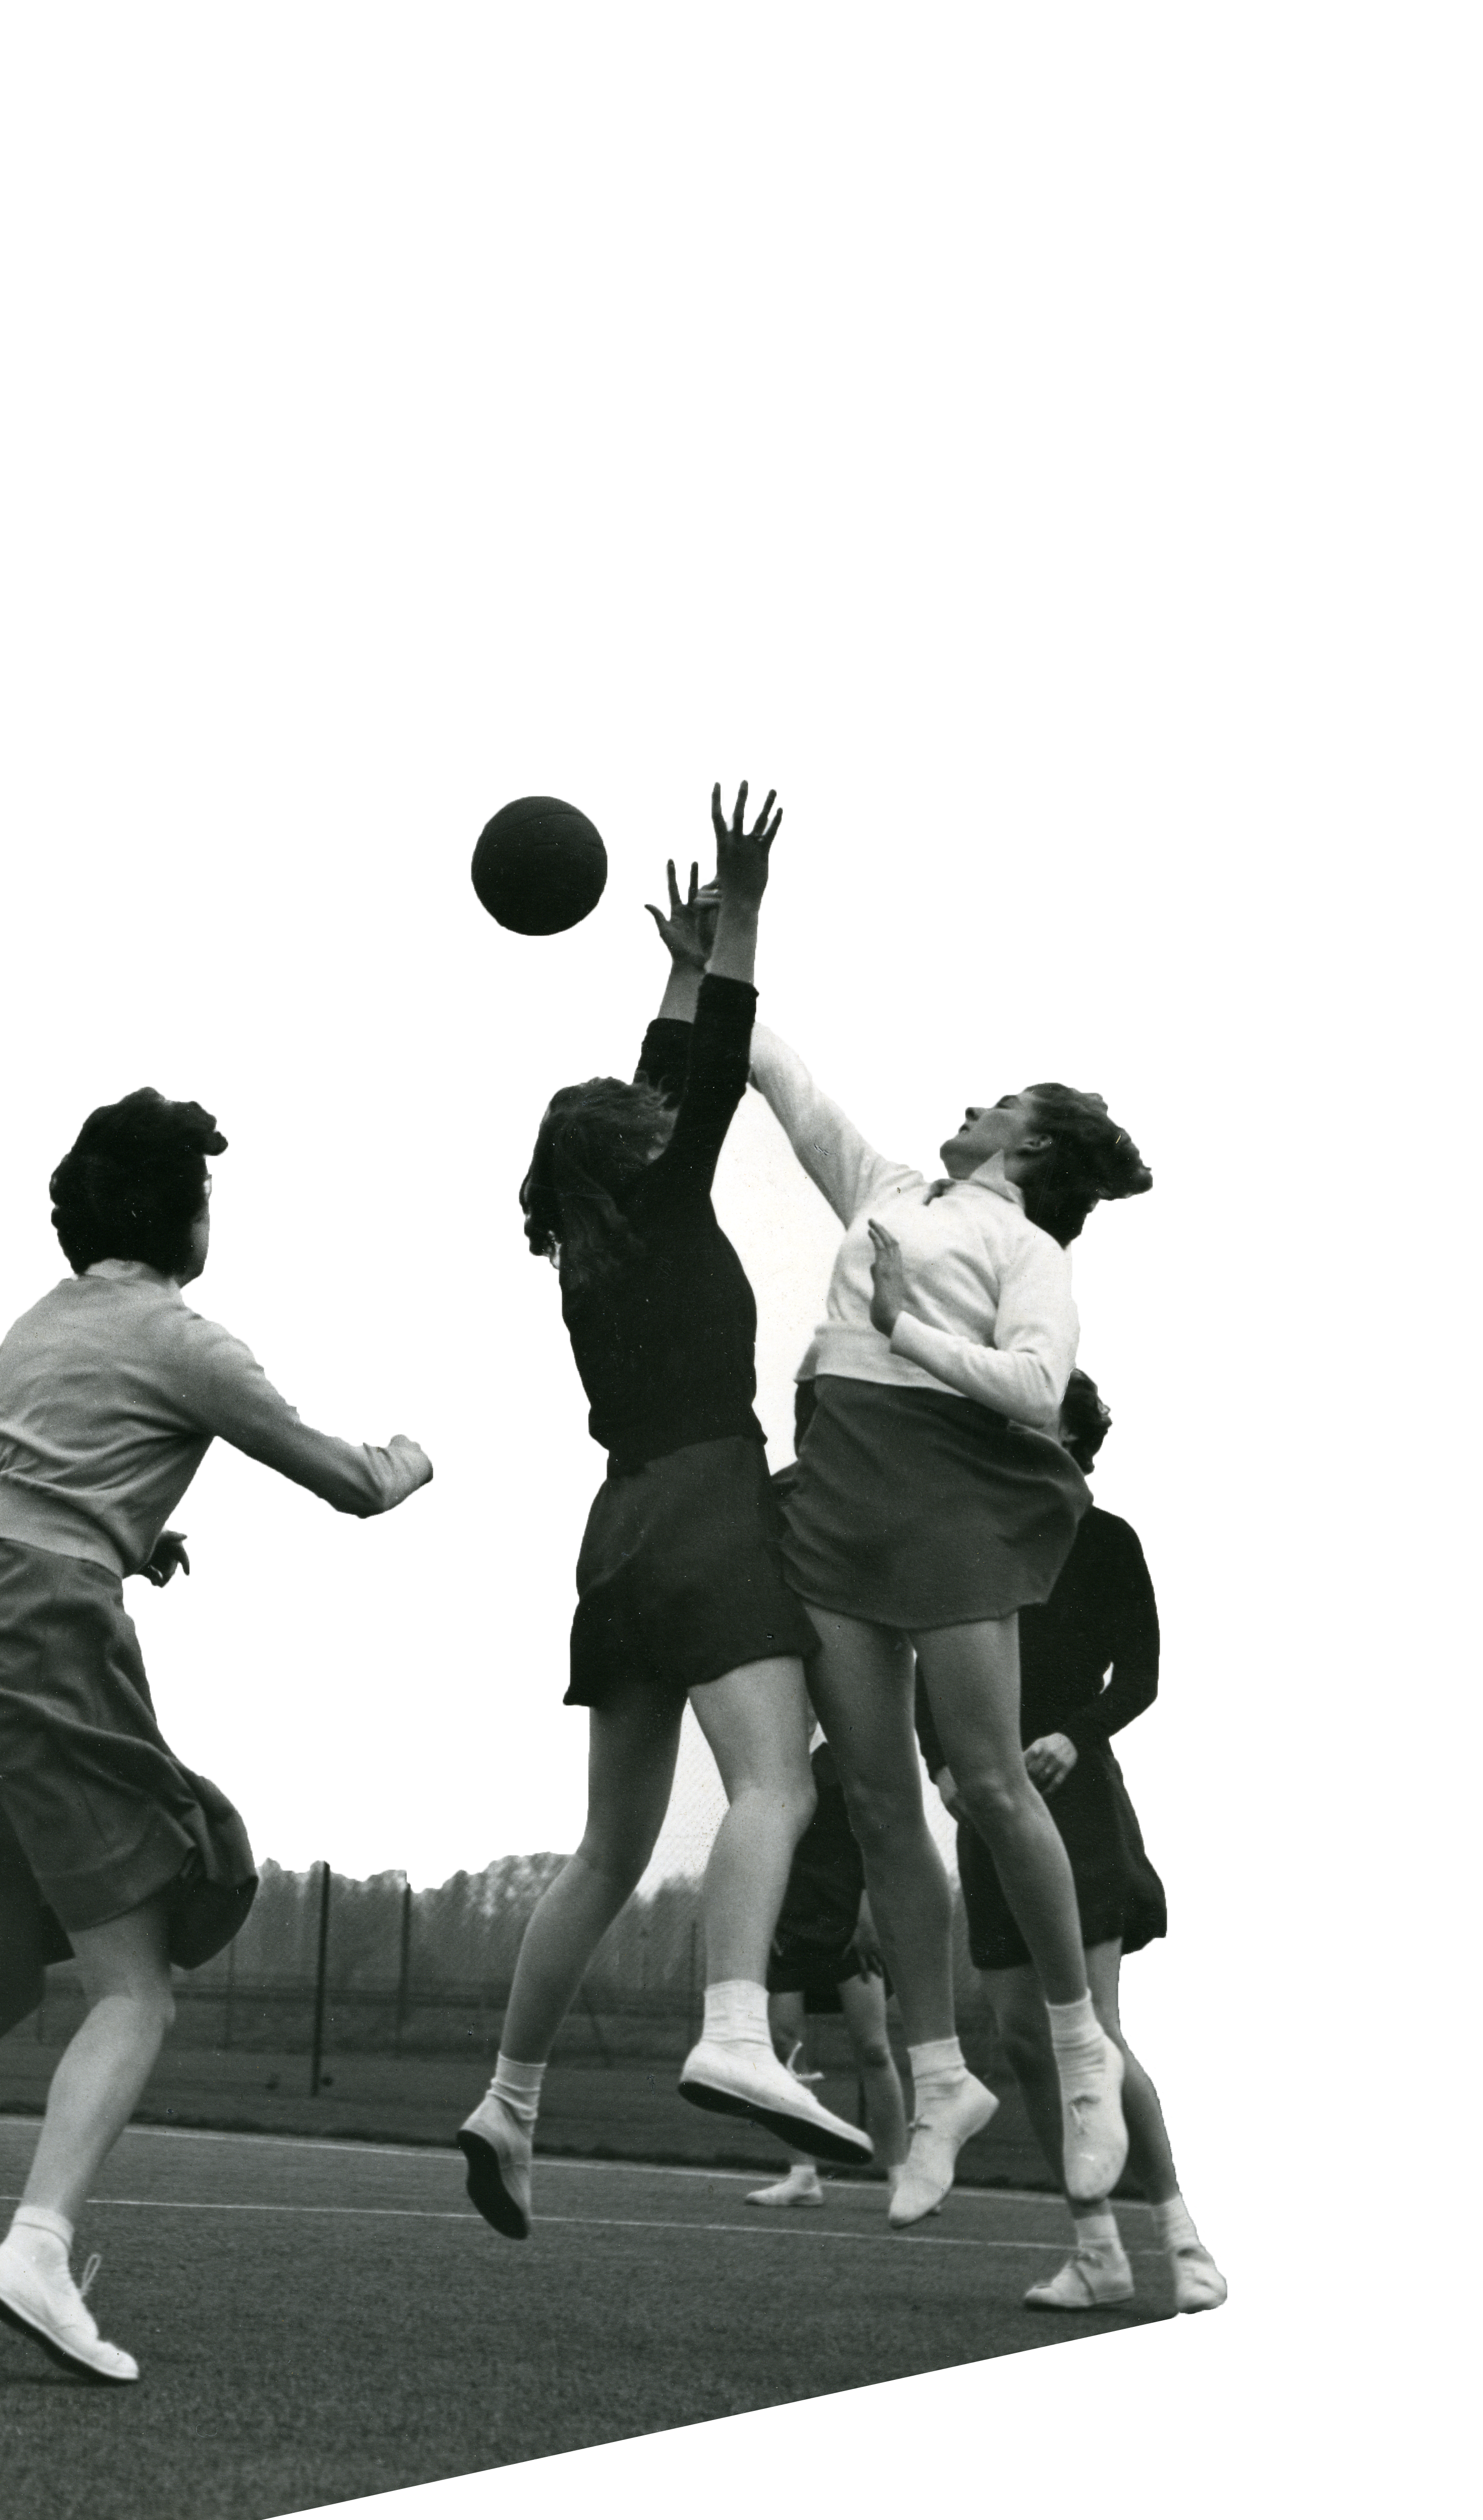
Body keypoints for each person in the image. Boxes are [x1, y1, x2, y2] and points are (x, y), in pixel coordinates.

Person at [0, 1089, 432, 2383]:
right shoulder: (188, 1340)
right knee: (135, 1982)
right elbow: (346, 1482)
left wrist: (122, 1525)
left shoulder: (32, 1326)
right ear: (185, 1216)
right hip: (38, 1637)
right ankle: (37, 2248)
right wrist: (410, 1458)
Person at [458, 785, 873, 2245]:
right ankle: (735, 2025)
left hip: (614, 1530)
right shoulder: (667, 1186)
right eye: (649, 1124)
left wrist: (676, 964)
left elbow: (664, 1067)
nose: (661, 1118)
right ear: (634, 1150)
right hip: (702, 1501)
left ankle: (508, 2100)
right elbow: (692, 1081)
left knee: (602, 1850)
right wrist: (741, 915)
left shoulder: (587, 1243)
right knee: (775, 1784)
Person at [747, 1007, 1152, 2230]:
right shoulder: (885, 1189)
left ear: (1028, 1147)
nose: (976, 1107)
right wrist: (725, 946)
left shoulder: (1026, 1250)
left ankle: (1083, 2057)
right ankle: (939, 2087)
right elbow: (779, 1075)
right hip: (839, 1498)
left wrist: (902, 1328)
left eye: (1001, 1104)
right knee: (872, 1799)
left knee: (984, 1783)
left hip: (946, 1504)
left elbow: (1036, 1387)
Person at [921, 1371, 1226, 2314]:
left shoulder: (1106, 1539)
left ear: (1077, 1438)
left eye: (1041, 1422)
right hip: (985, 1803)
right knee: (1020, 2035)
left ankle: (1183, 2236)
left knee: (1090, 2029)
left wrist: (1074, 1732)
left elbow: (1141, 1673)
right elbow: (935, 1670)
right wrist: (939, 1761)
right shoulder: (974, 1538)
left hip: (1074, 1796)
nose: (1022, 1433)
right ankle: (1095, 2247)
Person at [744, 1738, 909, 2208]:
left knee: (874, 2049)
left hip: (849, 1920)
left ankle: (901, 2176)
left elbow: (880, 1841)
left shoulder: (855, 1753)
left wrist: (868, 1913)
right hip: (790, 1918)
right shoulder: (771, 1758)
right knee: (785, 2048)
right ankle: (803, 2175)